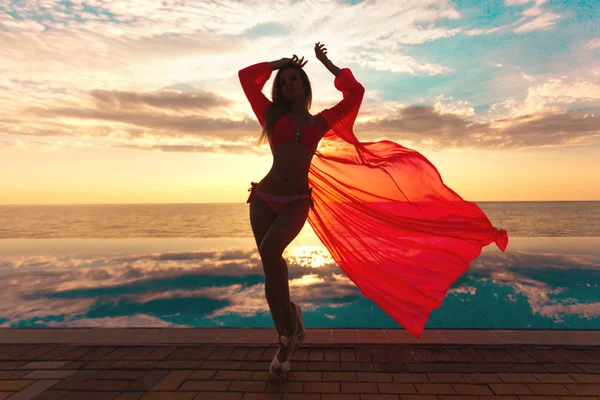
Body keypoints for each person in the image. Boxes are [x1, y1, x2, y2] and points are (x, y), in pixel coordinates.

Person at [239, 41, 508, 383]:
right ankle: (289, 332)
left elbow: (355, 93)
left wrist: (329, 65)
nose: (288, 83)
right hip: (264, 197)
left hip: (295, 202)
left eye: (294, 79)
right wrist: (278, 62)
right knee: (270, 268)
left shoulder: (319, 123)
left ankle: (286, 339)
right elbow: (246, 78)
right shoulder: (270, 115)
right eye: (283, 80)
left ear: (305, 87)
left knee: (270, 251)